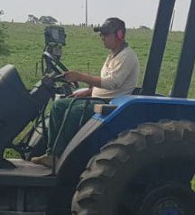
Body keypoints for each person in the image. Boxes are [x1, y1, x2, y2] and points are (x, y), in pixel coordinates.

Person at [34, 17, 141, 164]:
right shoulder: (113, 55)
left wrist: (81, 76)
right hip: (98, 98)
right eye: (101, 34)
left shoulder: (127, 56)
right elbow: (105, 79)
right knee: (59, 105)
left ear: (119, 35)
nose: (102, 37)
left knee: (73, 111)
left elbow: (112, 83)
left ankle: (60, 157)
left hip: (111, 104)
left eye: (105, 34)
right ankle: (52, 153)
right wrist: (89, 91)